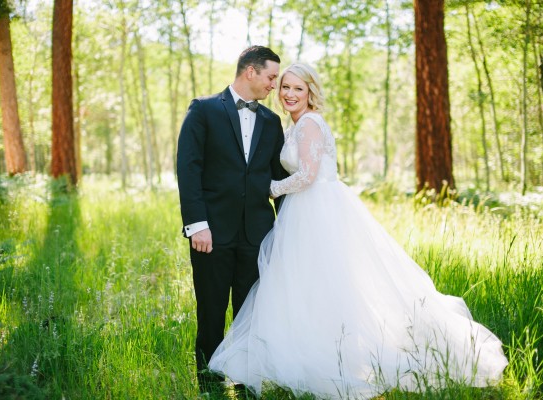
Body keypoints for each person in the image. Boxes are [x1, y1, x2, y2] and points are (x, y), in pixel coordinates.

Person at [208, 63, 508, 399]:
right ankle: (306, 350)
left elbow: (307, 176)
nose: (290, 94)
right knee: (305, 287)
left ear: (310, 93)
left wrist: (269, 188)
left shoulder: (309, 124)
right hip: (303, 212)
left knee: (328, 286)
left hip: (318, 210)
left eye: (298, 89)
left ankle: (341, 359)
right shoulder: (293, 127)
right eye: (285, 88)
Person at [176, 46, 288, 394]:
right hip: (210, 232)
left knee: (250, 314)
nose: (275, 85)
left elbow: (279, 179)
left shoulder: (272, 122)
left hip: (257, 234)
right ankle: (208, 384)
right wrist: (197, 225)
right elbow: (188, 168)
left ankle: (246, 383)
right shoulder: (204, 109)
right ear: (250, 72)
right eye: (271, 77)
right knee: (210, 311)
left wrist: (286, 230)